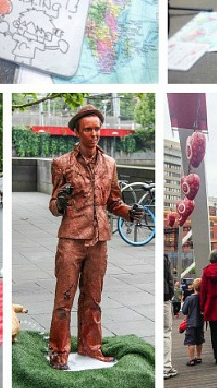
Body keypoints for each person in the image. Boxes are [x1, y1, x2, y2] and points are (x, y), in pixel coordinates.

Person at [48, 105, 143, 371]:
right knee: (63, 298)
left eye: (97, 129)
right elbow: (54, 207)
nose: (94, 134)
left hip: (99, 239)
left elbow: (113, 200)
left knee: (93, 297)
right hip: (71, 238)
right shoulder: (62, 164)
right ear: (77, 132)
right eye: (88, 129)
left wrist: (127, 211)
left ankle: (90, 348)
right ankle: (58, 351)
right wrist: (61, 200)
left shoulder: (110, 163)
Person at [182, 277, 204, 366]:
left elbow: (184, 311)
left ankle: (191, 359)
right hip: (200, 322)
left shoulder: (189, 299)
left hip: (191, 322)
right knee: (199, 340)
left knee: (190, 341)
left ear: (194, 287)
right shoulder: (203, 298)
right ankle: (199, 357)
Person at [164, 254, 178, 379]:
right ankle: (165, 367)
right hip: (165, 299)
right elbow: (169, 280)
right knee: (166, 333)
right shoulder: (164, 260)